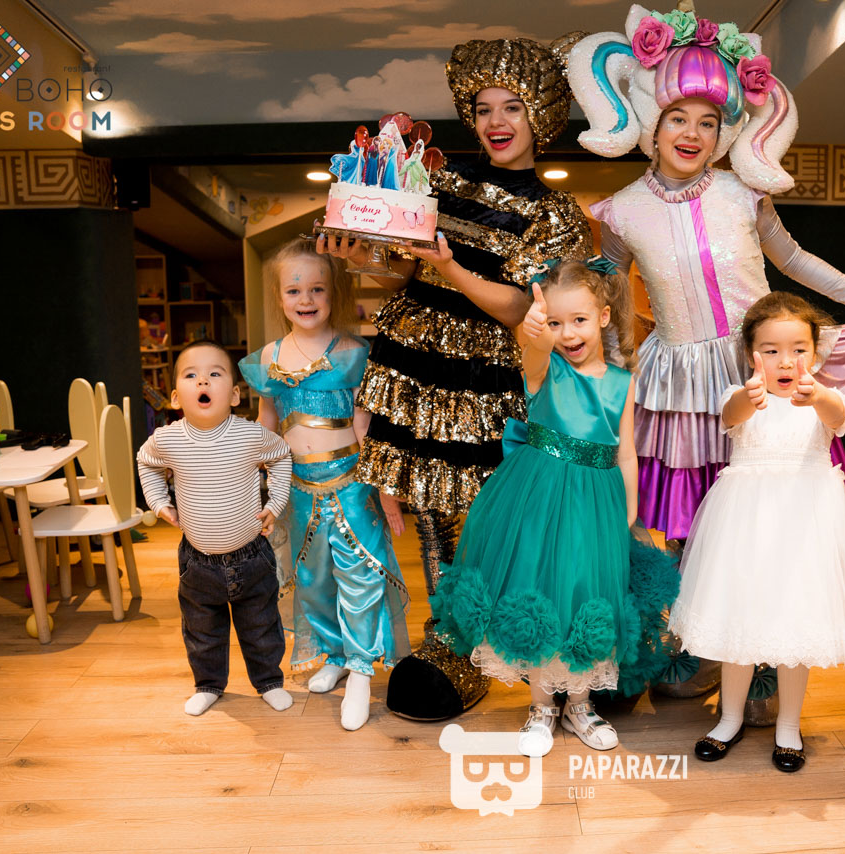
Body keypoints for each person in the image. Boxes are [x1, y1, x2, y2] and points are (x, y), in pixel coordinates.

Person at [320, 36, 593, 722]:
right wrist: (362, 259)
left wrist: (451, 269)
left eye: (512, 108)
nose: (496, 121)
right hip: (414, 363)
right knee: (428, 503)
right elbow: (403, 269)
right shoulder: (439, 182)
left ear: (541, 116)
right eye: (483, 109)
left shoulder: (556, 215)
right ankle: (447, 637)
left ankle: (480, 636)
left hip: (484, 376)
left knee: (480, 508)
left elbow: (525, 308)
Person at [568, 3, 845, 542]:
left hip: (762, 361)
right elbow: (612, 296)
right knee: (691, 523)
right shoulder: (622, 211)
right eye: (678, 118)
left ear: (722, 133)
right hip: (680, 380)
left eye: (708, 122)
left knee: (775, 514)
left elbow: (793, 259)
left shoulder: (744, 194)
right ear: (653, 124)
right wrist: (611, 370)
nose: (692, 133)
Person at [429, 258, 679, 757]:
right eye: (557, 322)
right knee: (542, 591)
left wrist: (628, 512)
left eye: (579, 320)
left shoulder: (622, 381)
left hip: (598, 502)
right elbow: (535, 349)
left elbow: (626, 451)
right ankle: (542, 706)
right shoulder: (546, 368)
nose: (568, 333)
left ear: (604, 317)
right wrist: (535, 331)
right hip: (540, 497)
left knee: (587, 593)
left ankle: (579, 705)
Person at [670, 292, 845, 770]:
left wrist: (817, 394)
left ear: (815, 353)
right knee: (739, 621)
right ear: (750, 354)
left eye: (799, 349)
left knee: (796, 626)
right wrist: (749, 395)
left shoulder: (826, 398)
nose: (786, 361)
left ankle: (788, 725)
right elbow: (731, 415)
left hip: (804, 533)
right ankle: (729, 718)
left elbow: (837, 417)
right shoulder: (740, 396)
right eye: (772, 350)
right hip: (747, 529)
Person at [239, 239, 408, 732]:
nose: (306, 299)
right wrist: (255, 486)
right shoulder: (269, 359)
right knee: (313, 579)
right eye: (294, 290)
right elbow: (267, 425)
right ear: (279, 297)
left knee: (359, 575)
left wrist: (386, 492)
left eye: (317, 288)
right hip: (297, 488)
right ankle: (333, 653)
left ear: (334, 293)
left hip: (351, 485)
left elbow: (365, 428)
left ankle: (361, 668)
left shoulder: (353, 354)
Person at [137, 340, 294, 717]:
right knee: (202, 629)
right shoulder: (168, 439)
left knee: (260, 624)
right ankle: (208, 684)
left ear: (235, 395)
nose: (203, 381)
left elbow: (281, 456)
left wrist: (274, 503)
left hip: (251, 556)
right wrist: (159, 501)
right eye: (191, 375)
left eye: (214, 374)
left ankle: (269, 681)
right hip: (198, 563)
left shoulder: (250, 435)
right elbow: (146, 462)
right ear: (176, 397)